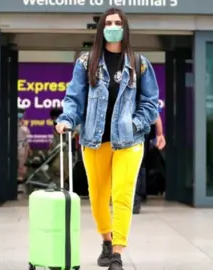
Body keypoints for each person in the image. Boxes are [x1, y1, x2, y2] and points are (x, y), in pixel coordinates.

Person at [55, 8, 159, 270]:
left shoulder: (140, 63)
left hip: (129, 142)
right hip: (93, 140)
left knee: (122, 195)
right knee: (98, 196)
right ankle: (106, 239)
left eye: (118, 23)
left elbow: (150, 104)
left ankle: (117, 253)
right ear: (102, 28)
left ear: (125, 28)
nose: (113, 26)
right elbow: (74, 98)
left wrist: (134, 124)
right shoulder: (85, 62)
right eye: (109, 23)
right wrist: (67, 119)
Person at [133, 111, 165, 214]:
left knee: (136, 165)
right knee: (139, 164)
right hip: (141, 130)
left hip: (132, 130)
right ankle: (137, 199)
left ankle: (134, 201)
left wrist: (159, 134)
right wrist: (159, 133)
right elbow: (154, 110)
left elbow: (154, 111)